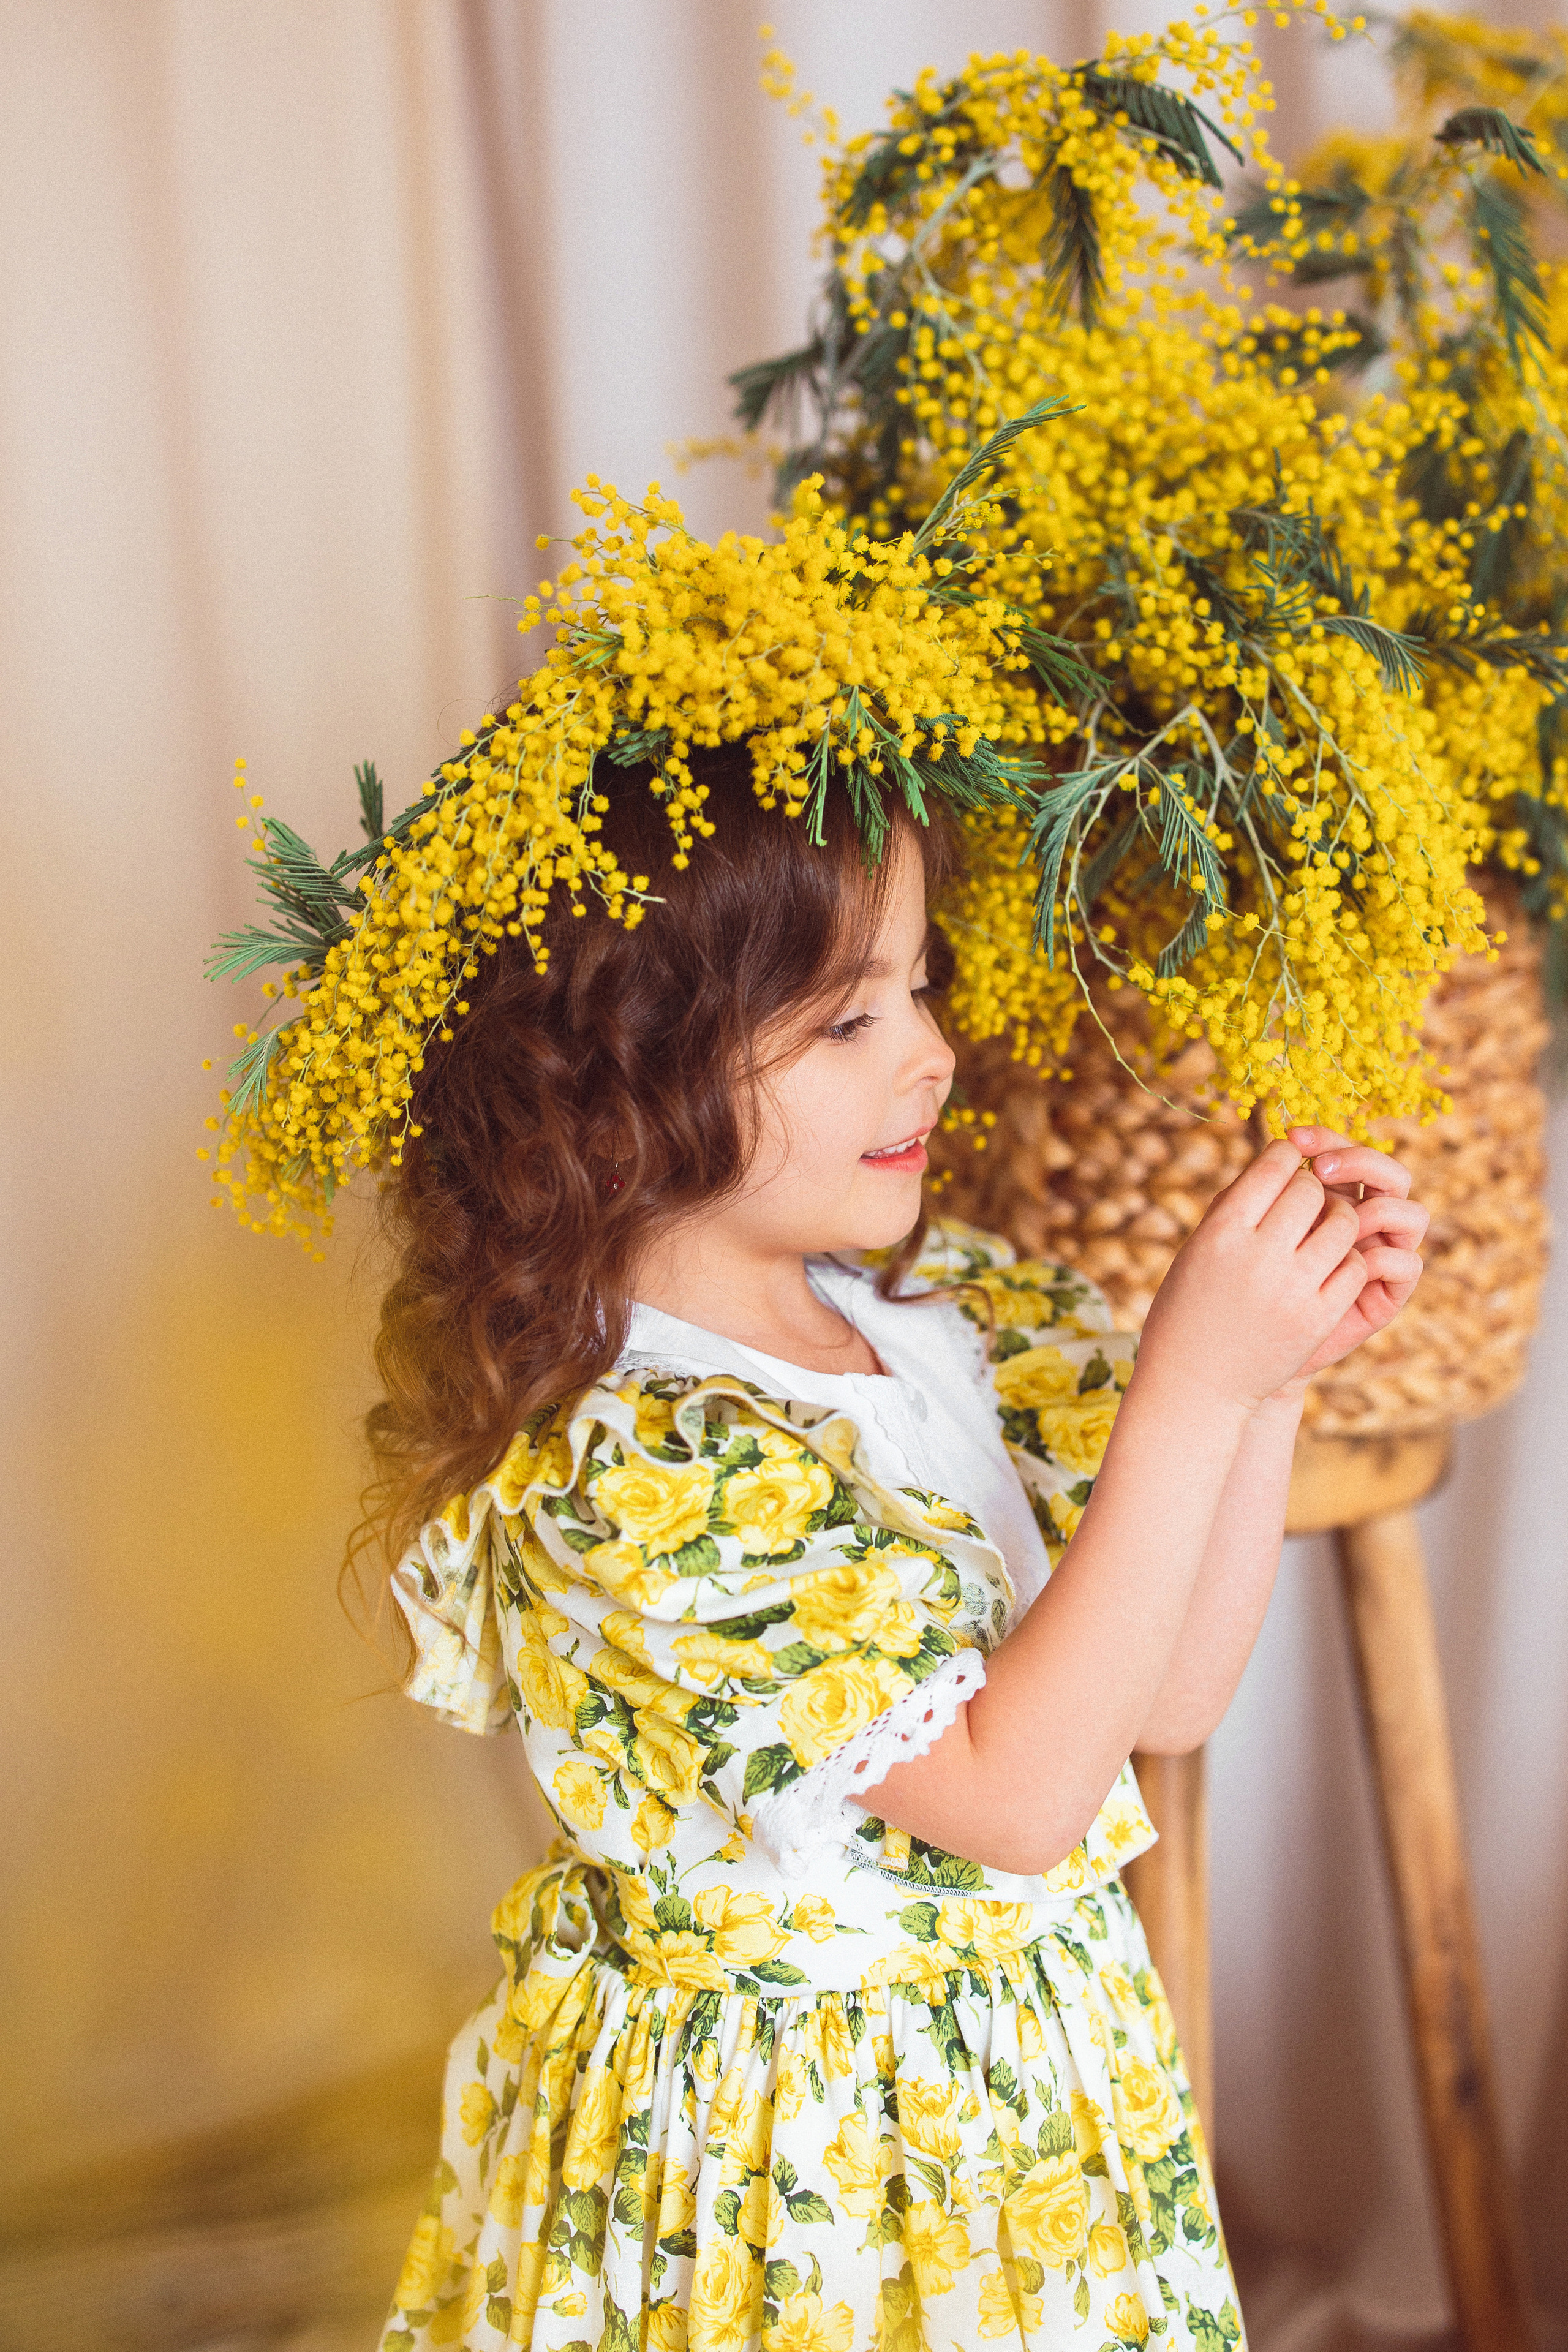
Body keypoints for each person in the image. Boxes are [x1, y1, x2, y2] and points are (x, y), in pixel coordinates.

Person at [210, 475, 1427, 2351]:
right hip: (802, 2173)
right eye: (848, 1019)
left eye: (920, 987)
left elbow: (1158, 1706)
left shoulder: (957, 1322)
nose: (932, 1049)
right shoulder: (637, 1467)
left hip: (1024, 2114)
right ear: (629, 1081)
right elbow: (1015, 1805)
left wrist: (1261, 1381)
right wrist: (1190, 1373)